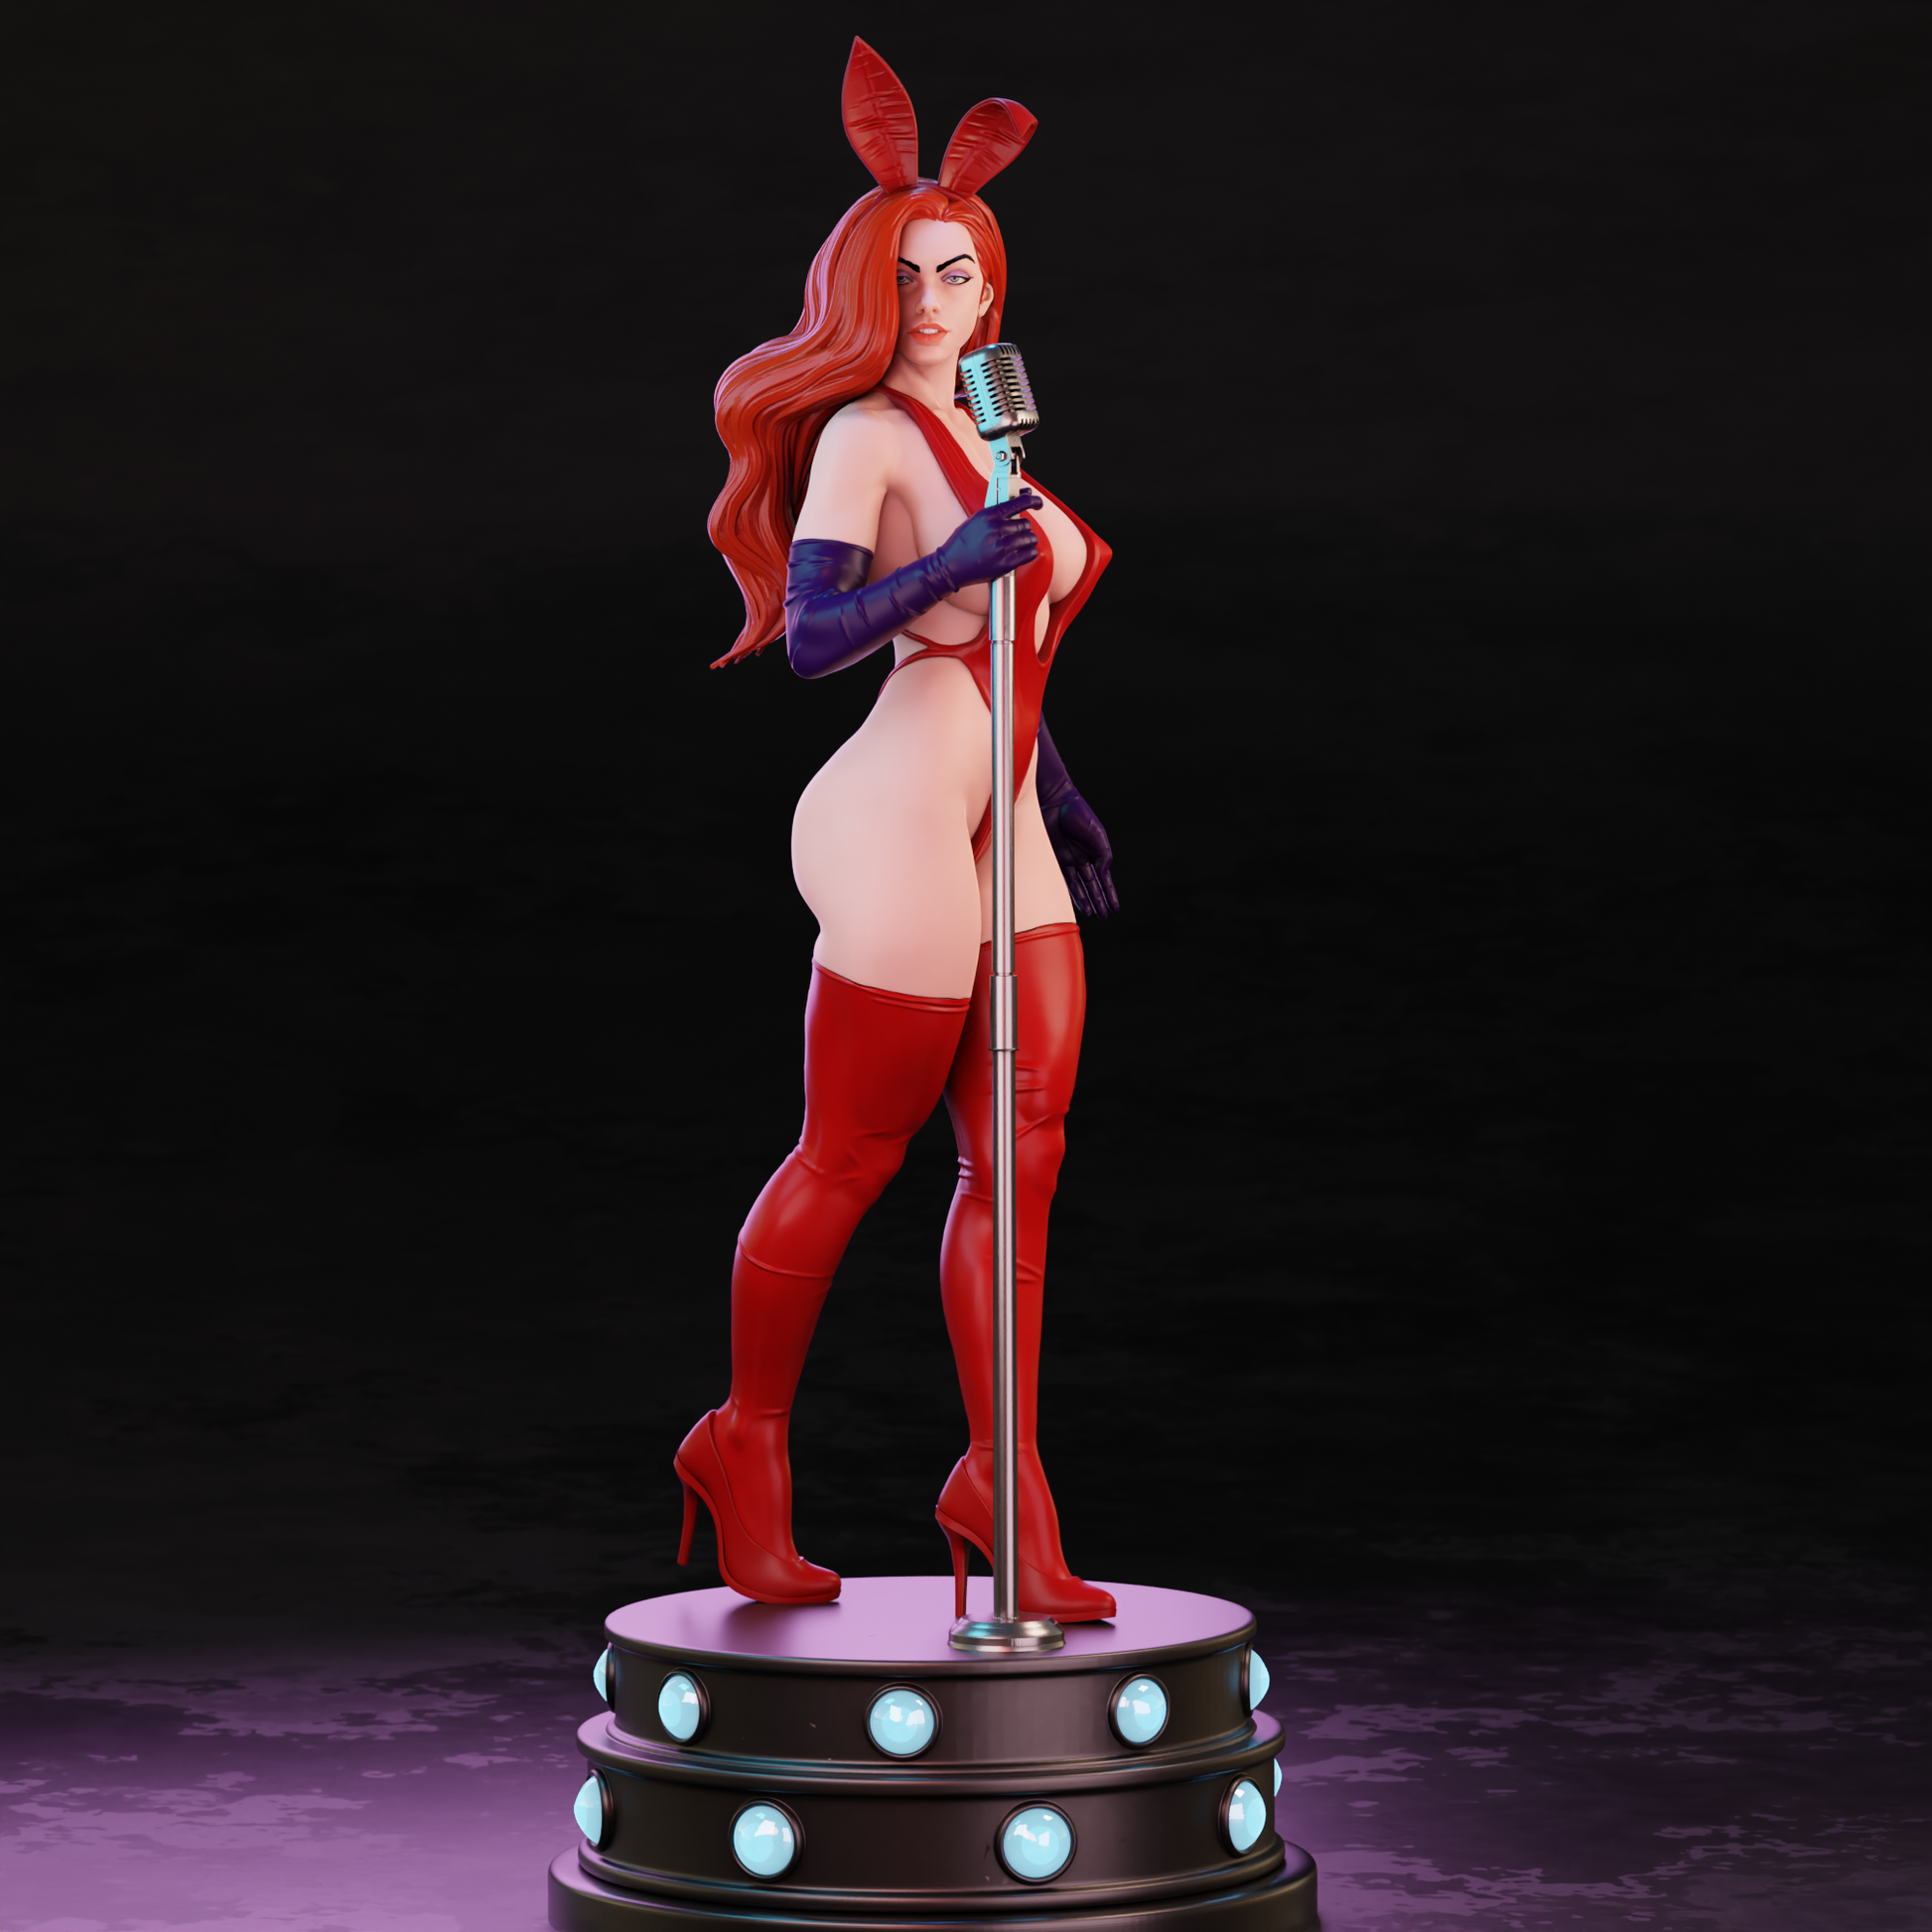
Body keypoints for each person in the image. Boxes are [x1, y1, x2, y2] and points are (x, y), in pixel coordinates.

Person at [674, 39, 1118, 1622]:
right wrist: (945, 567)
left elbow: (1022, 650)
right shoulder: (865, 435)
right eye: (908, 275)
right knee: (855, 1148)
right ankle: (743, 1442)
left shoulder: (1001, 424)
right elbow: (812, 640)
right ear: (865, 286)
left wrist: (1053, 791)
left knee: (1024, 1154)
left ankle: (1002, 1476)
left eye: (961, 272)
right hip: (894, 807)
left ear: (993, 287)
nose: (935, 303)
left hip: (1002, 810)